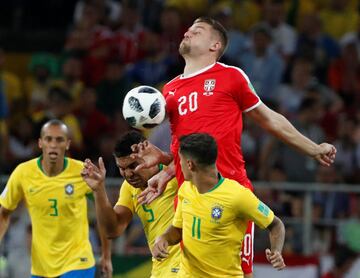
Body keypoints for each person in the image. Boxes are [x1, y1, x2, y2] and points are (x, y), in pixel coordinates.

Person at [131, 16, 336, 278]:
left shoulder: (230, 76)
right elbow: (186, 148)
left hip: (231, 195)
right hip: (189, 199)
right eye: (189, 29)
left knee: (240, 273)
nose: (187, 32)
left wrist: (313, 148)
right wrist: (166, 170)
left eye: (198, 31)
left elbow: (269, 118)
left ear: (215, 45)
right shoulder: (169, 90)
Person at [152, 133, 286, 277]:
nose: (179, 166)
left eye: (180, 161)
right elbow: (178, 230)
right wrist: (163, 238)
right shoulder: (186, 189)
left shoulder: (237, 195)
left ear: (190, 164)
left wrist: (276, 251)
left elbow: (276, 224)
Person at [0, 119, 112, 278]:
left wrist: (106, 255)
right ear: (40, 143)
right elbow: (4, 213)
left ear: (67, 144)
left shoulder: (83, 172)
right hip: (41, 268)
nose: (53, 144)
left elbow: (104, 214)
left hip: (78, 262)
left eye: (59, 140)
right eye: (48, 139)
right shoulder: (23, 173)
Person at [81, 131, 180, 277]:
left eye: (133, 165)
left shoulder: (178, 174)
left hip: (191, 268)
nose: (128, 174)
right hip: (161, 270)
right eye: (122, 168)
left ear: (147, 156)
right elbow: (113, 230)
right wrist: (99, 190)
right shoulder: (129, 188)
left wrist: (166, 159)